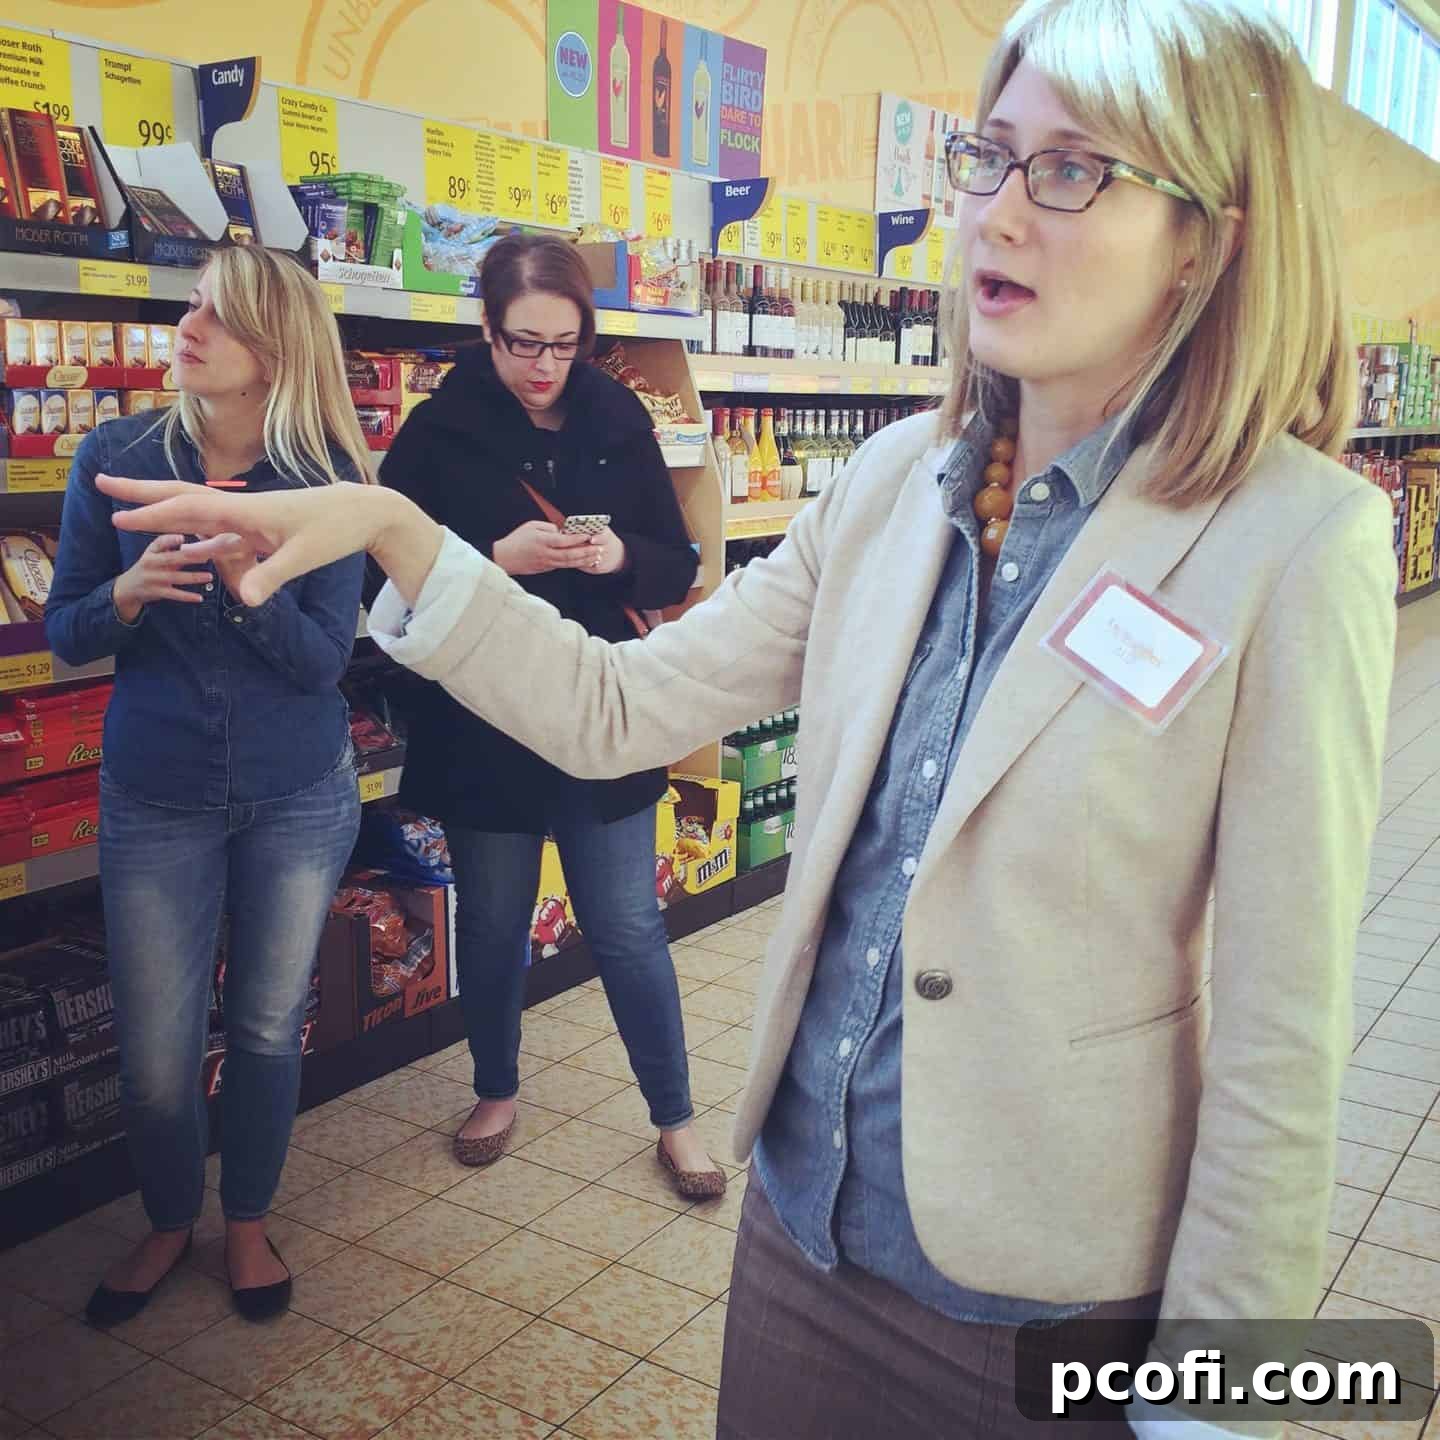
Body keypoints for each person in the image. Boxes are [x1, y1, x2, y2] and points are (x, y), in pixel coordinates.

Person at [99, 0, 1396, 1431]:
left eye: (1074, 169)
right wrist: (401, 531)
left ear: (1207, 237)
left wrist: (1214, 1405)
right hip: (800, 1227)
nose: (999, 217)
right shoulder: (893, 482)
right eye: (991, 157)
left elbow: (1285, 1039)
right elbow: (617, 705)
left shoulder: (1295, 540)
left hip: (1048, 1290)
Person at [48, 247, 369, 1327]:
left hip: (298, 793)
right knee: (153, 1052)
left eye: (216, 317)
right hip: (157, 794)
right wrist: (130, 594)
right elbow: (64, 637)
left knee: (270, 1025)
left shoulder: (332, 484)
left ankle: (246, 1224)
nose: (187, 327)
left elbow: (326, 662)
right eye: (190, 304)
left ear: (273, 351)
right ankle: (165, 1220)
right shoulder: (115, 455)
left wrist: (248, 582)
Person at [369, 232, 723, 1192]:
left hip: (600, 708)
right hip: (484, 717)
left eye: (563, 345)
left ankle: (676, 1118)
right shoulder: (437, 432)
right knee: (490, 922)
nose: (543, 367)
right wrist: (495, 557)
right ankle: (496, 1087)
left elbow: (679, 560)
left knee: (627, 926)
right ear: (486, 331)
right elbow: (382, 571)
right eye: (523, 343)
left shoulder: (616, 416)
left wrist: (616, 560)